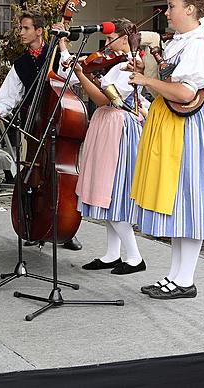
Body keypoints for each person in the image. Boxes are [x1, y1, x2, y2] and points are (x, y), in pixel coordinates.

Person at [128, 0, 204, 299]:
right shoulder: (181, 43)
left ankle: (185, 279)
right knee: (178, 204)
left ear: (190, 10)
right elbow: (168, 87)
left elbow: (185, 94)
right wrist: (145, 73)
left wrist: (147, 80)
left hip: (186, 131)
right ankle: (175, 275)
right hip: (171, 124)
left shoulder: (199, 45)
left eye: (171, 6)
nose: (167, 12)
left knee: (189, 202)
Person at [0, 10, 83, 251]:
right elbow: (11, 92)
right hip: (33, 124)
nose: (21, 32)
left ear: (40, 31)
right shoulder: (20, 63)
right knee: (33, 175)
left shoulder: (56, 55)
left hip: (58, 123)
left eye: (25, 28)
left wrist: (62, 46)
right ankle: (34, 226)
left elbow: (70, 79)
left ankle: (64, 227)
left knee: (59, 176)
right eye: (21, 28)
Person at [71, 18, 147, 274]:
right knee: (104, 192)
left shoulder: (128, 66)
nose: (105, 44)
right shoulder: (115, 64)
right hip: (106, 123)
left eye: (111, 38)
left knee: (112, 192)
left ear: (125, 39)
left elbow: (104, 98)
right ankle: (112, 254)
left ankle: (135, 257)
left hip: (117, 126)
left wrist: (82, 74)